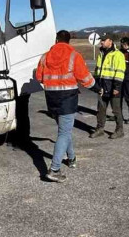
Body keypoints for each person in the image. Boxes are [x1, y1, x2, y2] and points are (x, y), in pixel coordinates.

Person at [35, 30, 95, 183]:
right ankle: (54, 169)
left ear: (56, 40)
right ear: (69, 41)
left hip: (51, 98)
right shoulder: (74, 55)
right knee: (63, 132)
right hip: (67, 99)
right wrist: (97, 87)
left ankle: (72, 158)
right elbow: (84, 77)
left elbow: (39, 77)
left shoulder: (45, 56)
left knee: (64, 131)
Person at [90, 34, 127, 139]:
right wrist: (96, 85)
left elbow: (120, 72)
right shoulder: (101, 53)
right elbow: (98, 70)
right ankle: (100, 129)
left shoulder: (118, 54)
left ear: (110, 41)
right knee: (101, 109)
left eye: (103, 40)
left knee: (116, 110)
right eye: (101, 40)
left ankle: (120, 130)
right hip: (102, 86)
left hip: (113, 87)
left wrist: (117, 87)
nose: (101, 42)